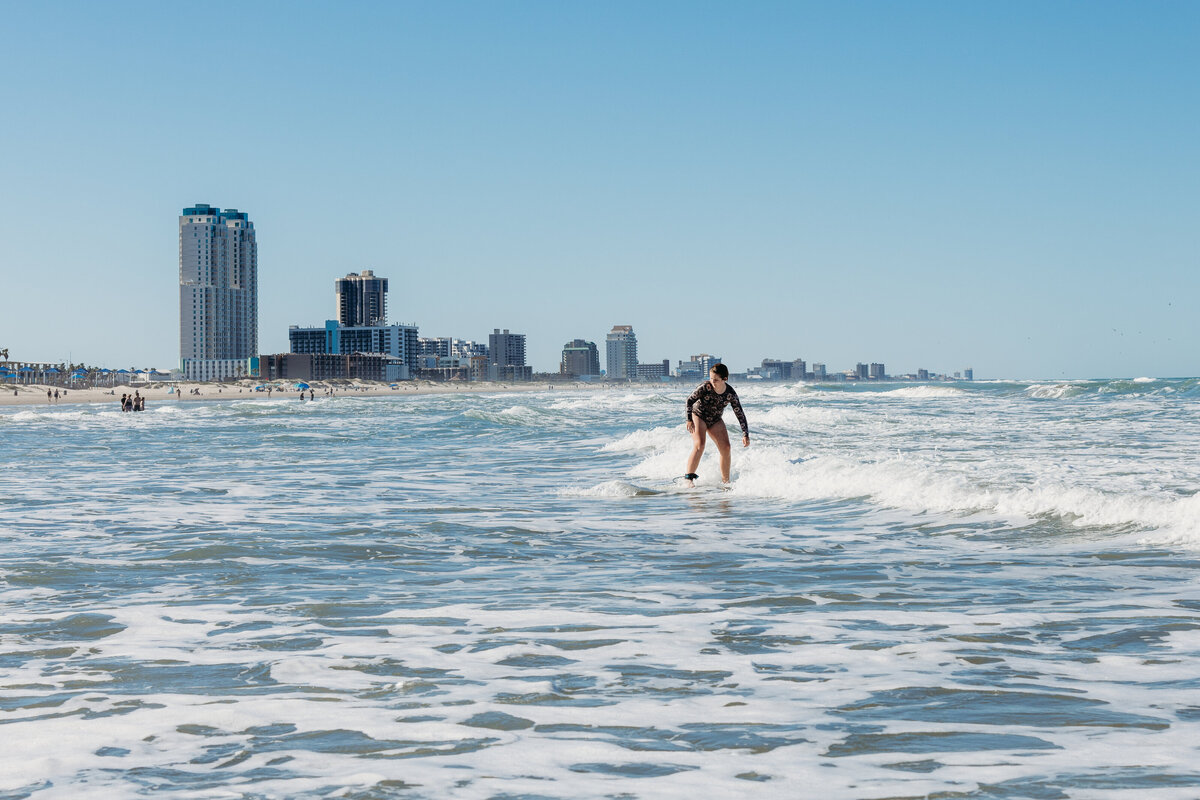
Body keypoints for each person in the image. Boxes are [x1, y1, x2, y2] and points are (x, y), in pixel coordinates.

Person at [683, 363, 749, 487]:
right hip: (698, 415)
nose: (712, 382)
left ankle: (726, 482)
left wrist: (745, 434)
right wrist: (689, 420)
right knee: (700, 445)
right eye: (711, 378)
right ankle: (688, 478)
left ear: (724, 379)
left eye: (716, 380)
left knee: (726, 448)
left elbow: (739, 413)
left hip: (715, 419)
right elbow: (689, 400)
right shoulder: (705, 387)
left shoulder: (730, 393)